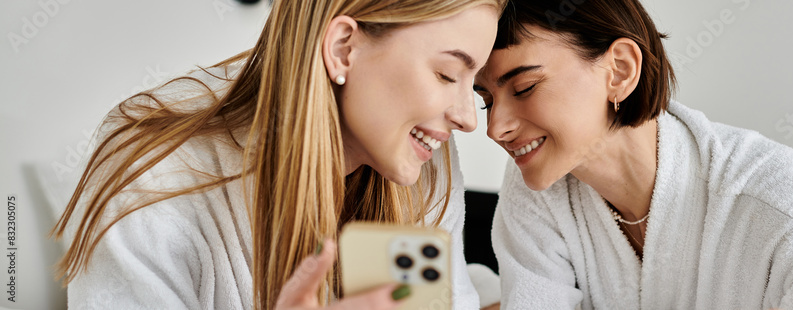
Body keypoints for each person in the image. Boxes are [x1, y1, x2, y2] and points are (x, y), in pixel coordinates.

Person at [50, 0, 504, 309]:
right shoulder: (153, 181)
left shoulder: (419, 159)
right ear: (343, 48)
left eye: (474, 85)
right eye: (447, 75)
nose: (468, 118)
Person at [474, 0, 793, 308]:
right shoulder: (536, 193)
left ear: (619, 70)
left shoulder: (768, 187)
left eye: (524, 87)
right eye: (486, 99)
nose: (496, 127)